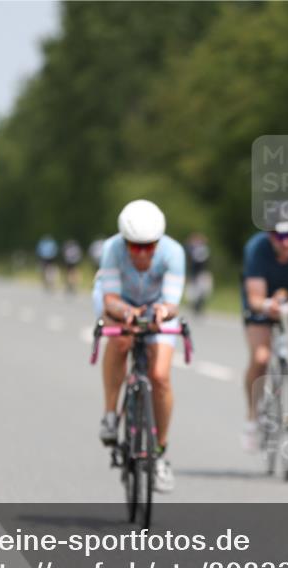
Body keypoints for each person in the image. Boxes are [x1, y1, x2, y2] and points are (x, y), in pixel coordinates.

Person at [93, 200, 186, 493]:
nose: (143, 253)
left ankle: (159, 455)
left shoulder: (174, 252)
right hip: (120, 303)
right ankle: (110, 414)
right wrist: (126, 315)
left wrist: (161, 313)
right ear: (125, 241)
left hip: (157, 307)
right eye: (135, 247)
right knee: (120, 340)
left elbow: (172, 304)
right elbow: (110, 300)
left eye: (149, 246)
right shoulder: (112, 250)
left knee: (160, 376)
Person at [240, 200, 288, 452]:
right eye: (278, 235)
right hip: (264, 303)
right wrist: (267, 305)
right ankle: (253, 417)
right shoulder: (256, 248)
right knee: (260, 357)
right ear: (269, 235)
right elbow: (254, 297)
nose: (285, 242)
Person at [184, 232, 213, 316]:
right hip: (194, 274)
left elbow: (202, 262)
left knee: (203, 292)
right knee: (192, 293)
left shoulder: (203, 249)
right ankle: (195, 306)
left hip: (202, 273)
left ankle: (199, 307)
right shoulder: (190, 249)